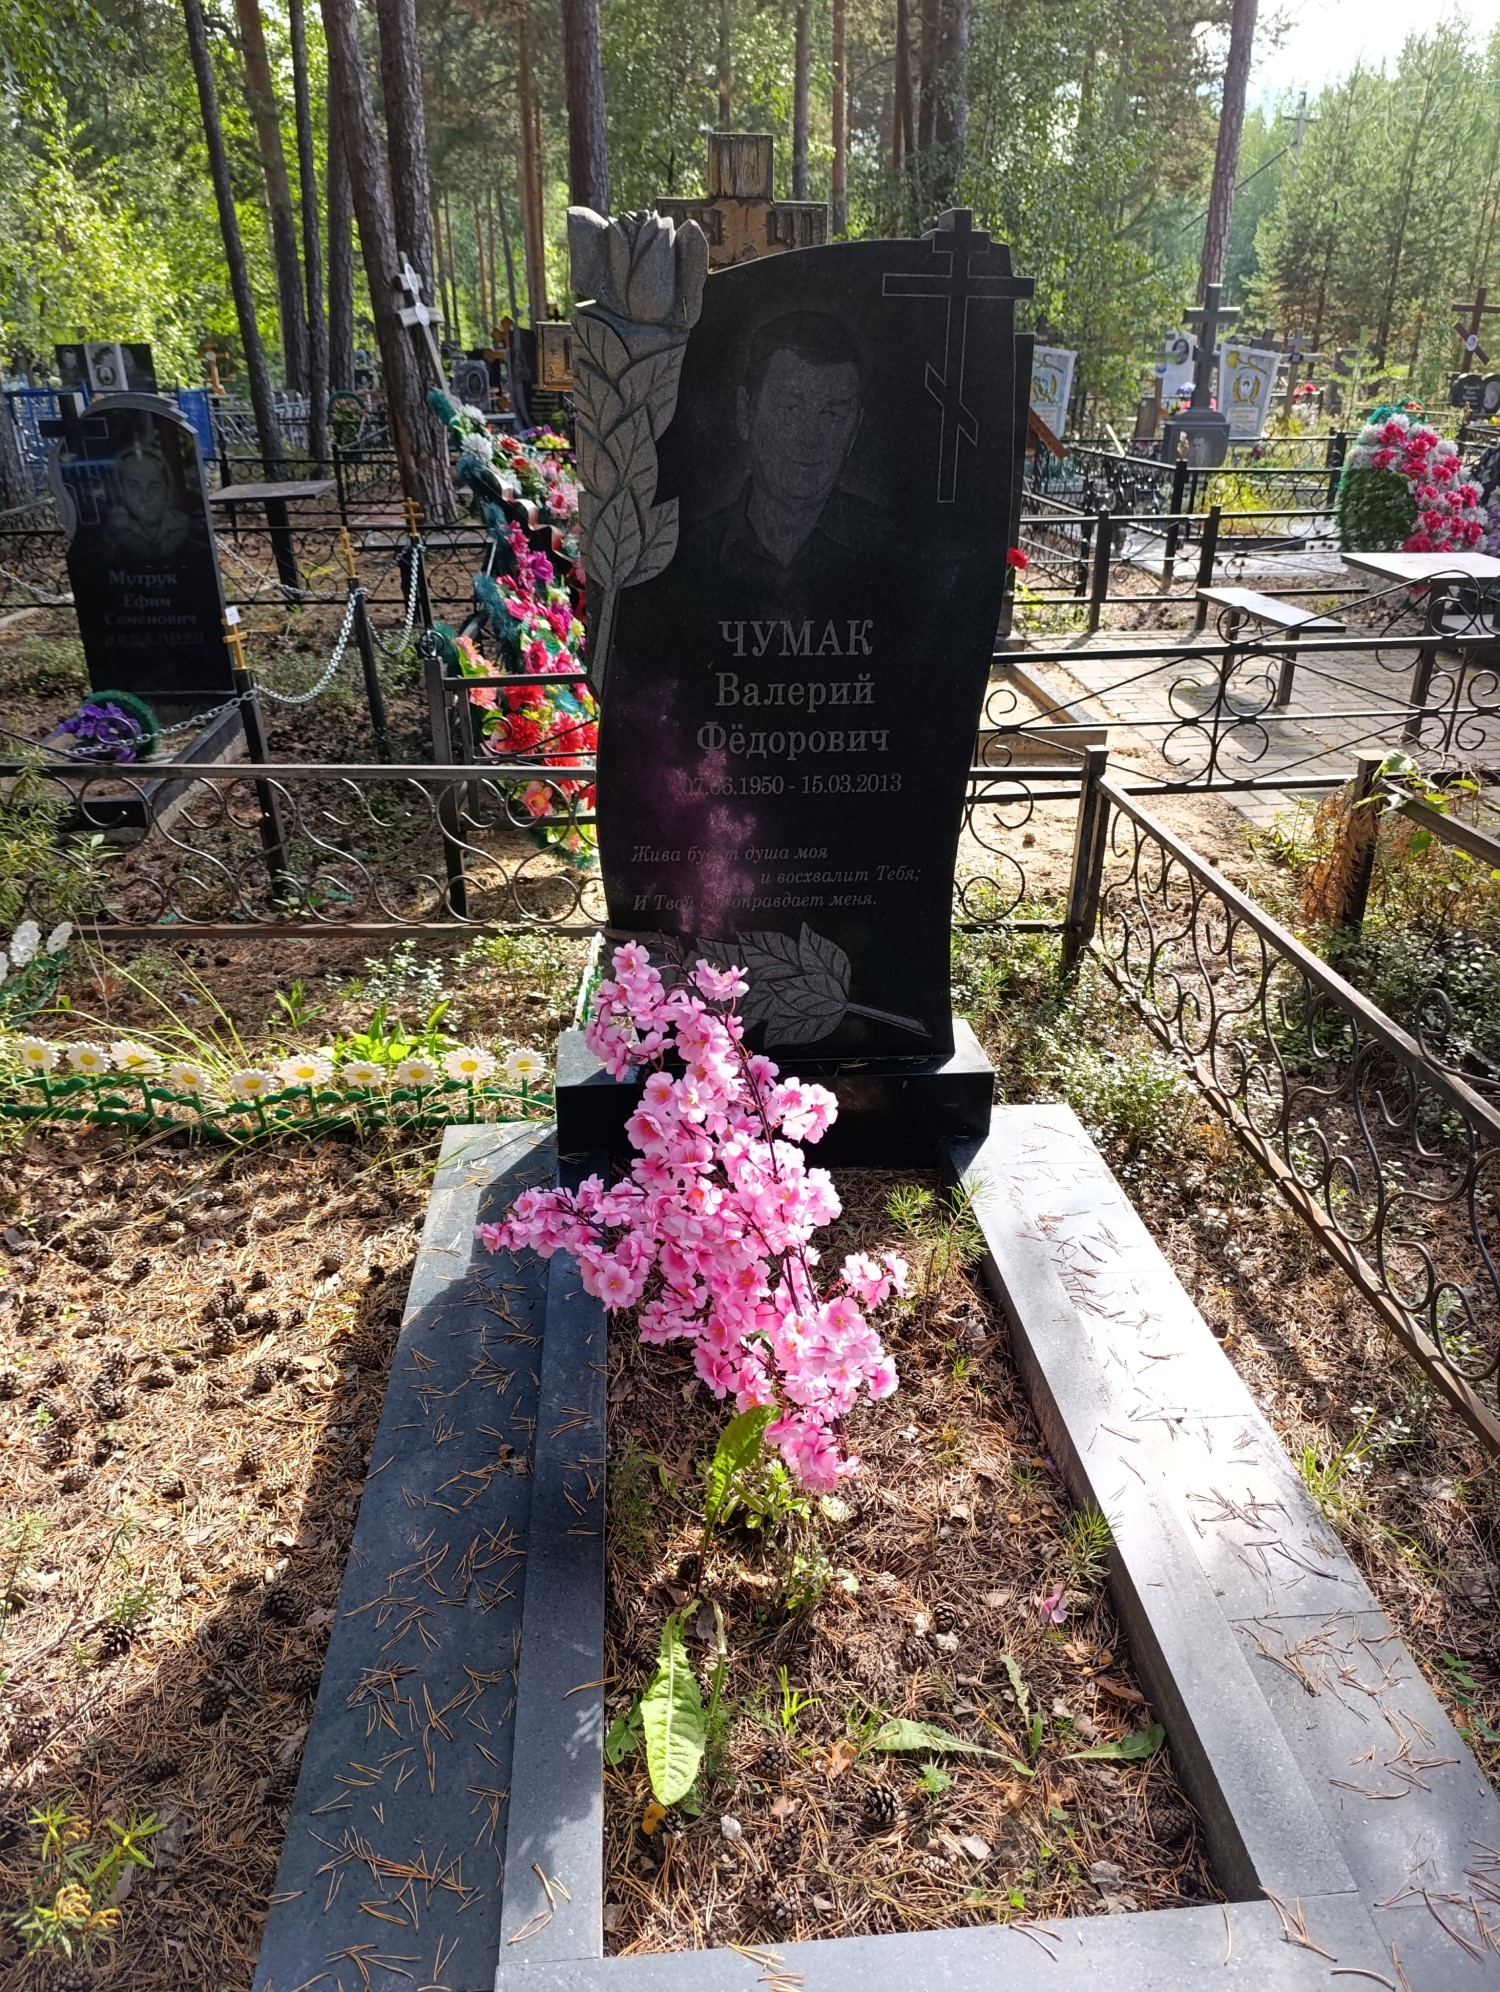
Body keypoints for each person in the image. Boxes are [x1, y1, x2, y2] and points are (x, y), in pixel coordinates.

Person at [694, 311, 886, 587]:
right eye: (791, 409)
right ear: (745, 413)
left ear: (853, 432)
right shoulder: (687, 555)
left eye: (832, 415)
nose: (810, 438)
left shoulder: (896, 554)